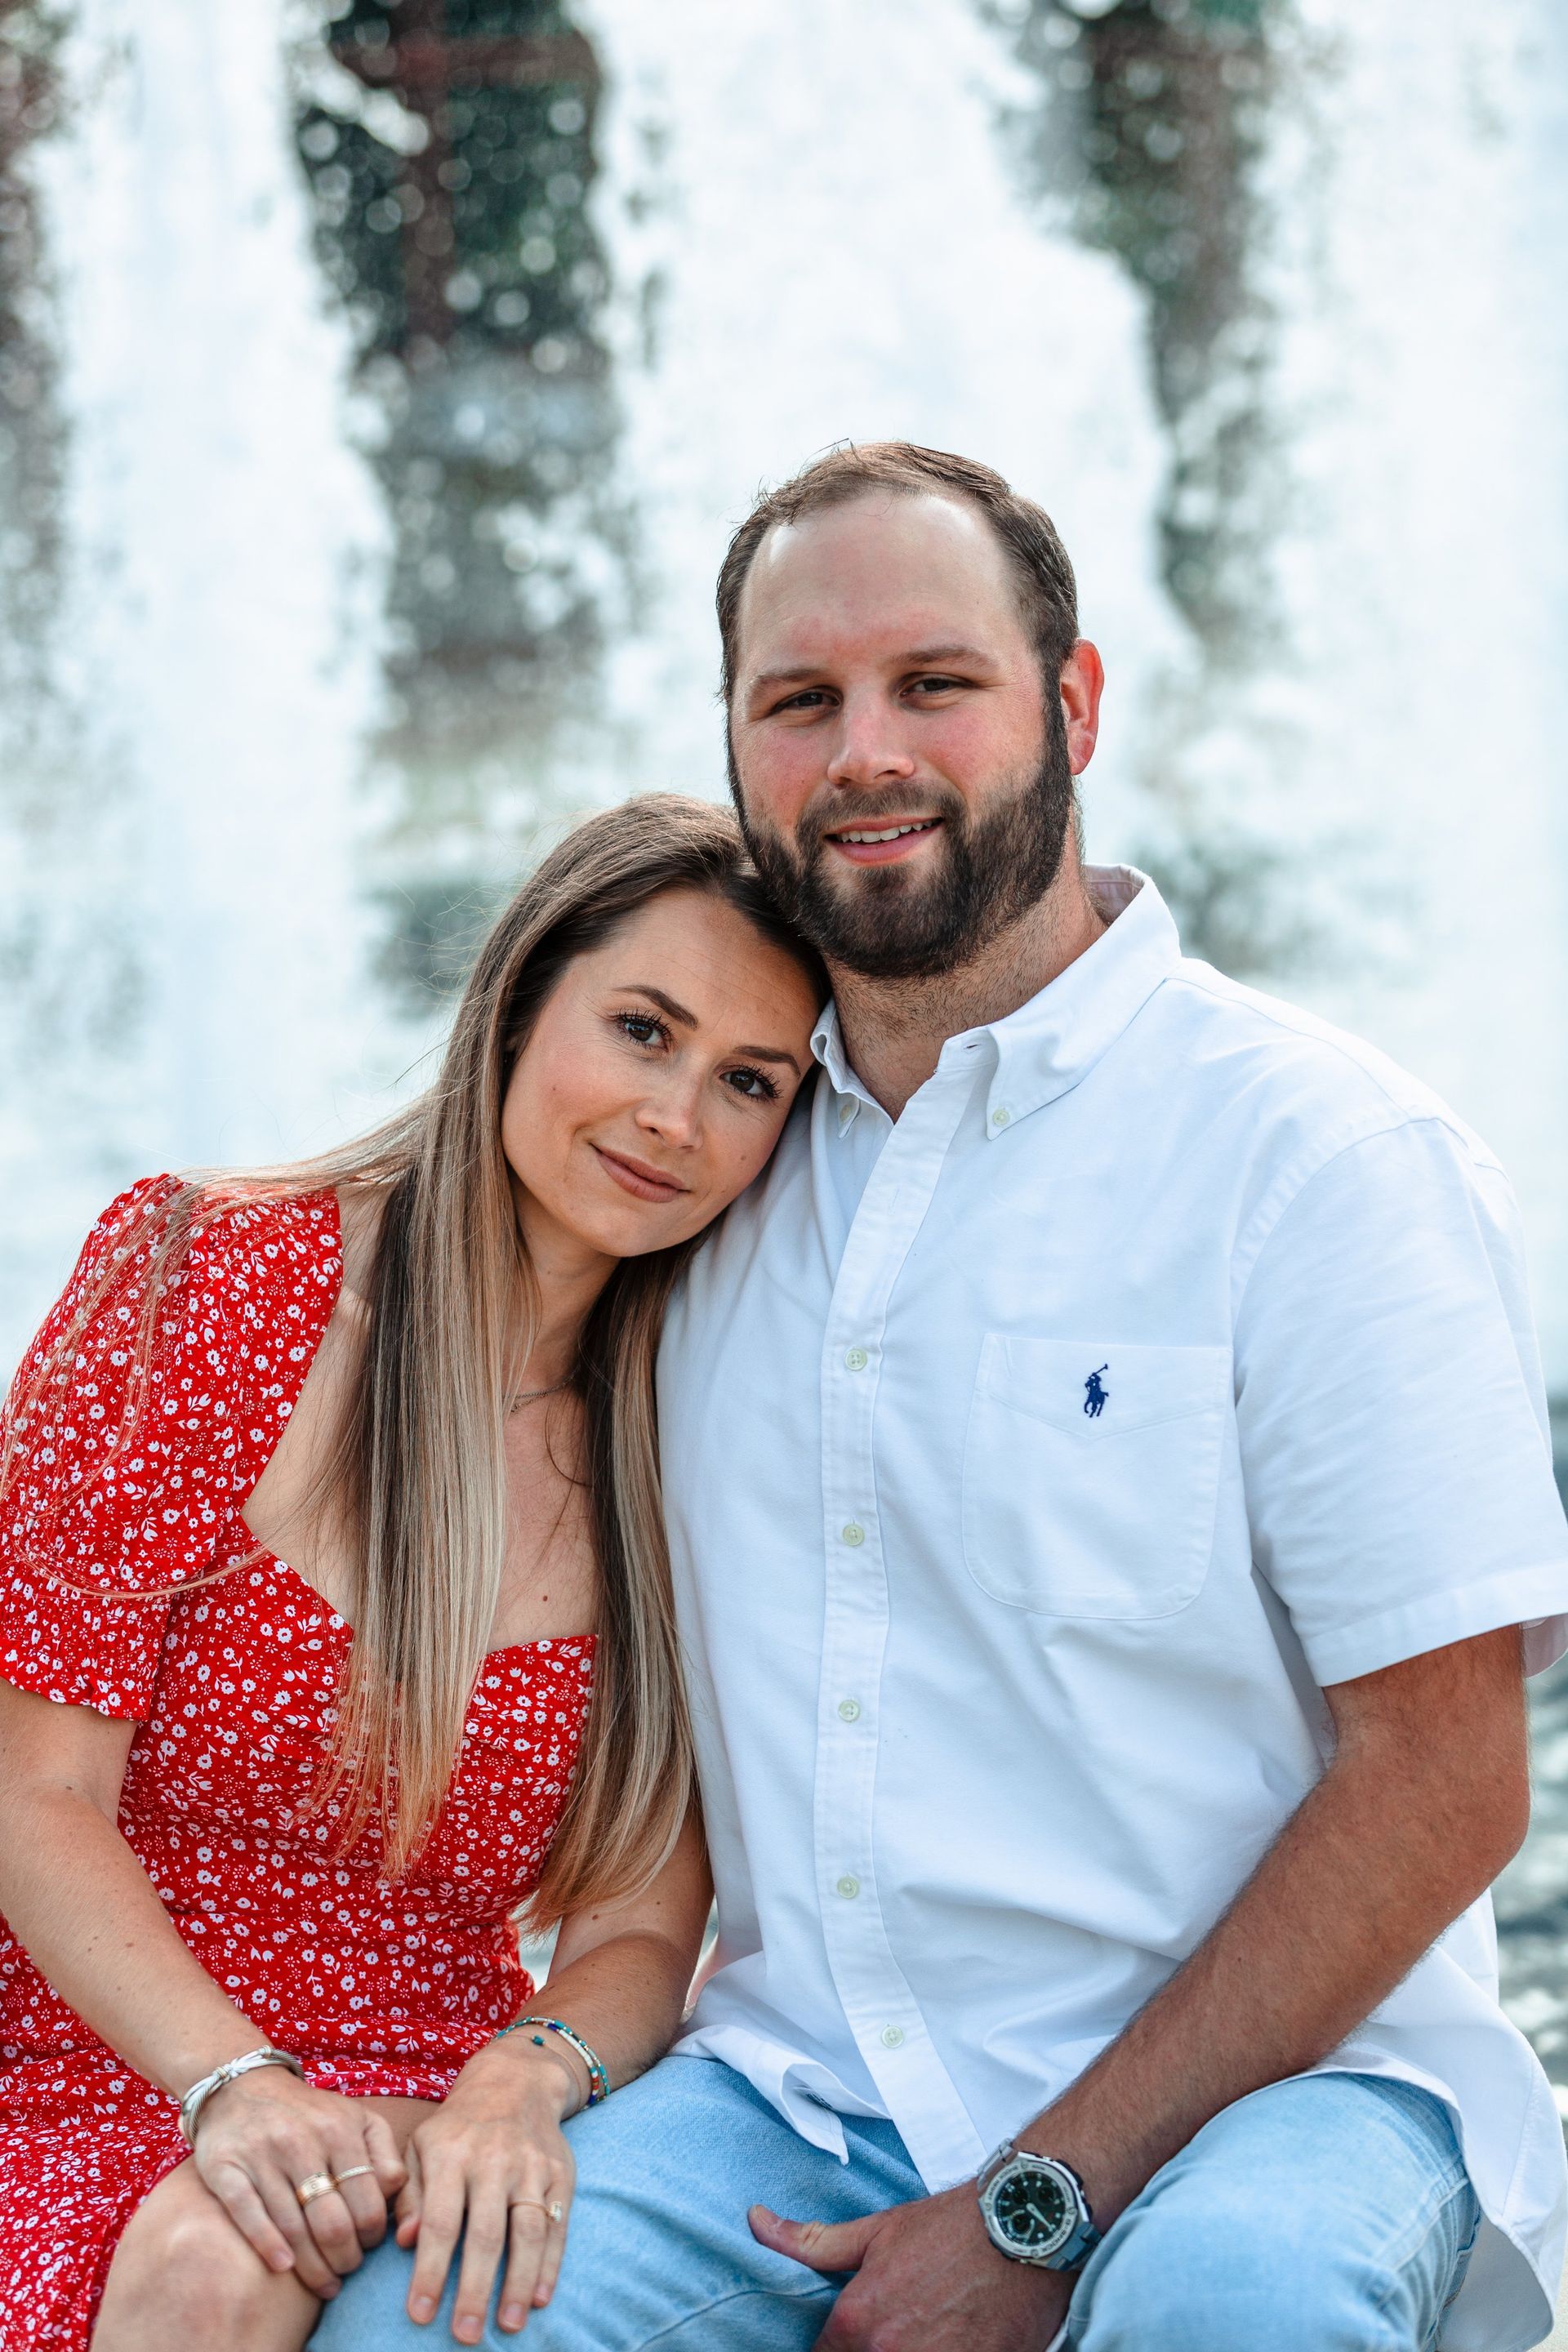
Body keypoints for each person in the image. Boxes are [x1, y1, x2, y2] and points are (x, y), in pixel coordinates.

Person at [321, 440, 1568, 2352]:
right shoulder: (706, 1174)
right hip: (794, 2095)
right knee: (425, 2330)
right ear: (736, 748)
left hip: (1276, 2100)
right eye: (799, 702)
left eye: (936, 684)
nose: (864, 752)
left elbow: (1455, 1779)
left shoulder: (1318, 1162)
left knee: (1229, 2315)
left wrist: (1040, 2202)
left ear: (1070, 704)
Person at [0, 796, 825, 2352]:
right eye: (642, 1030)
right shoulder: (212, 1276)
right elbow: (31, 1793)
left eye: (748, 1082)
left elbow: (642, 1928)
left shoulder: (694, 1433)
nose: (676, 1117)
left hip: (421, 2091)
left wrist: (523, 2079)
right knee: (211, 2260)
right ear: (518, 1001)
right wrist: (236, 2089)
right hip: (95, 2050)